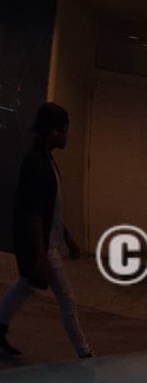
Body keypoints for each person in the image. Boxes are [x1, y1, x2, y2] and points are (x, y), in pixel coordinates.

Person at [0, 102, 92, 359]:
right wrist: (40, 255)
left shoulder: (44, 160)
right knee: (67, 301)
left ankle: (0, 328)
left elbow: (50, 208)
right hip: (43, 247)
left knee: (25, 286)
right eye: (64, 131)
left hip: (46, 244)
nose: (66, 136)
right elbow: (34, 213)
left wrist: (69, 238)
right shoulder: (36, 164)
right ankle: (84, 354)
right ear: (54, 132)